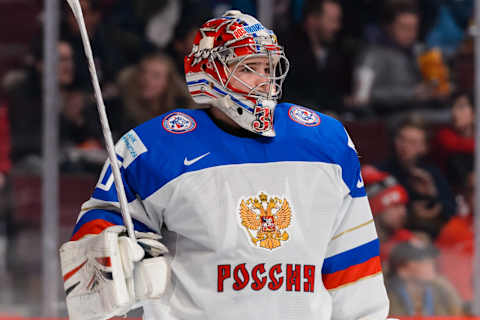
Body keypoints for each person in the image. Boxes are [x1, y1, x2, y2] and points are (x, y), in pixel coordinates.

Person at [60, 10, 389, 320]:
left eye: (268, 67)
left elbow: (352, 256)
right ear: (209, 71)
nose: (263, 81)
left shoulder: (325, 142)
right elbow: (95, 240)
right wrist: (112, 256)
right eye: (247, 67)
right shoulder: (153, 147)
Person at [379, 115, 456, 239]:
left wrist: (433, 195)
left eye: (413, 142)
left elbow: (451, 210)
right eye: (401, 139)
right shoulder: (382, 172)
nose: (405, 146)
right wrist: (411, 213)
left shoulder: (432, 174)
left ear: (424, 147)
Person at [282, 0, 353, 112]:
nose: (337, 27)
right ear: (312, 20)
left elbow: (336, 94)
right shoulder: (286, 49)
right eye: (332, 21)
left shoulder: (339, 52)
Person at [386, 240, 463, 316]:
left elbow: (458, 313)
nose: (431, 265)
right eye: (422, 262)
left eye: (431, 261)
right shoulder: (388, 297)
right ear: (403, 270)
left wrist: (443, 283)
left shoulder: (438, 290)